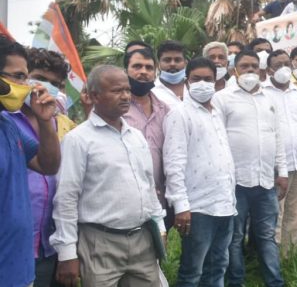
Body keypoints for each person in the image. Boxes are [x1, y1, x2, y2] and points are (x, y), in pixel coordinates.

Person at [51, 65, 165, 286]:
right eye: (116, 91)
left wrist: (159, 225)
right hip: (99, 243)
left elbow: (147, 185)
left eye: (126, 89)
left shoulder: (136, 137)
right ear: (95, 96)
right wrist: (67, 253)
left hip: (142, 239)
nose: (125, 96)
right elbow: (66, 198)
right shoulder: (78, 140)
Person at [213, 50, 287, 287]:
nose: (250, 71)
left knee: (267, 235)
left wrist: (282, 172)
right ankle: (236, 282)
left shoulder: (269, 99)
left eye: (254, 66)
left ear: (261, 69)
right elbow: (217, 139)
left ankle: (274, 282)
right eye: (244, 66)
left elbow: (277, 137)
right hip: (235, 182)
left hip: (265, 180)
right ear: (235, 70)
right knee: (234, 238)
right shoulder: (222, 98)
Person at [163, 57, 236, 286]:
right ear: (187, 81)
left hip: (224, 202)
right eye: (196, 79)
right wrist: (181, 205)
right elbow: (173, 162)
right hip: (197, 206)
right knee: (192, 271)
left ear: (216, 82)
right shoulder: (179, 113)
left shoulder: (216, 112)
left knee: (217, 266)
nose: (202, 83)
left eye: (208, 79)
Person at [5, 45, 66, 287]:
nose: (44, 86)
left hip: (44, 242)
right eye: (38, 78)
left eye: (54, 83)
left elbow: (49, 166)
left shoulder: (56, 120)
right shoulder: (9, 119)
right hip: (10, 241)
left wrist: (46, 121)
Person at [264, 50, 297, 258]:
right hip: (276, 167)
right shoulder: (262, 93)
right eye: (278, 65)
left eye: (287, 63)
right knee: (276, 213)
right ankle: (272, 257)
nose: (284, 68)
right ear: (269, 70)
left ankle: (289, 255)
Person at [122, 49, 172, 226]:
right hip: (125, 200)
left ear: (155, 72)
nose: (143, 71)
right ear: (125, 70)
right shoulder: (116, 110)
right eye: (137, 66)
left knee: (158, 252)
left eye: (149, 67)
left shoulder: (165, 110)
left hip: (158, 199)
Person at [153, 40, 187, 106]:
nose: (172, 64)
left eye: (177, 60)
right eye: (167, 60)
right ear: (158, 64)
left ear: (185, 63)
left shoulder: (194, 86)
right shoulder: (151, 92)